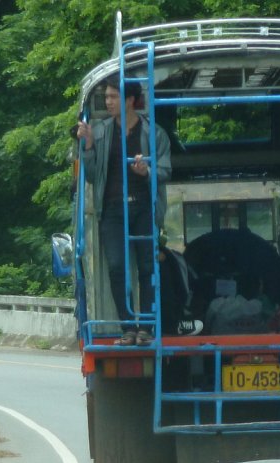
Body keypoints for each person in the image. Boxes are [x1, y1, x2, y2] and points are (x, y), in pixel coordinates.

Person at [77, 81, 172, 345]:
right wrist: (87, 146)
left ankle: (147, 328)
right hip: (113, 209)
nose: (107, 102)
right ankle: (127, 327)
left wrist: (147, 171)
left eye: (113, 97)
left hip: (143, 207)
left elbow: (166, 171)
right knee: (117, 266)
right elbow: (94, 175)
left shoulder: (154, 133)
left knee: (147, 266)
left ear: (130, 100)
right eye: (106, 97)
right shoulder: (102, 130)